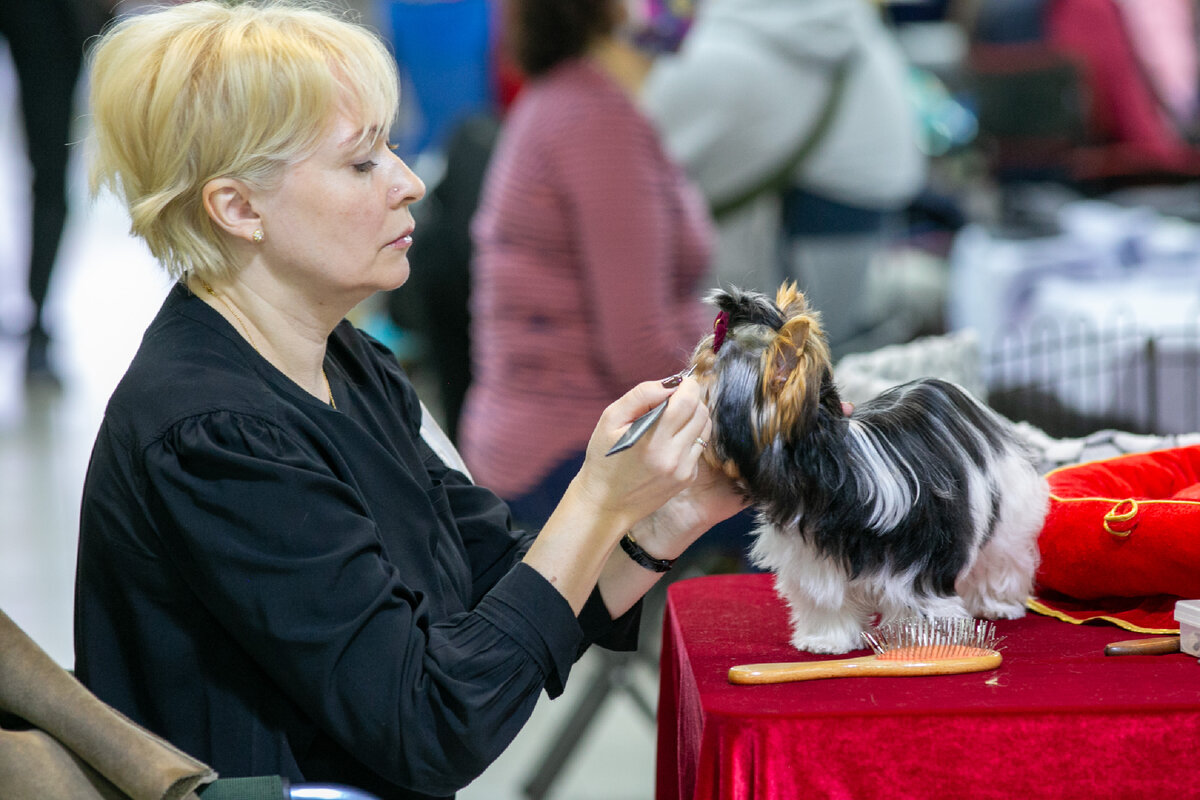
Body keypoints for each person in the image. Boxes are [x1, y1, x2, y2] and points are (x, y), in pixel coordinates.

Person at [71, 3, 744, 799]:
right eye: (363, 164)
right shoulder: (215, 435)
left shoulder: (346, 360)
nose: (410, 182)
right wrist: (597, 499)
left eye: (390, 147)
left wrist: (668, 517)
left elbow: (504, 577)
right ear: (239, 208)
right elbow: (430, 726)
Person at [458, 0, 715, 529]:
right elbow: (640, 349)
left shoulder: (580, 101)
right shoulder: (595, 121)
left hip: (557, 440)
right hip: (569, 453)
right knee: (829, 507)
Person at [641, 0, 928, 356]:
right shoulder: (845, 26)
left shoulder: (719, 54)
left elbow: (632, 168)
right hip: (863, 239)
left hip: (789, 249)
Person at [0, 0, 111, 384]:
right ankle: (37, 327)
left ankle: (38, 321)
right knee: (49, 174)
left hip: (55, 13)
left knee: (50, 169)